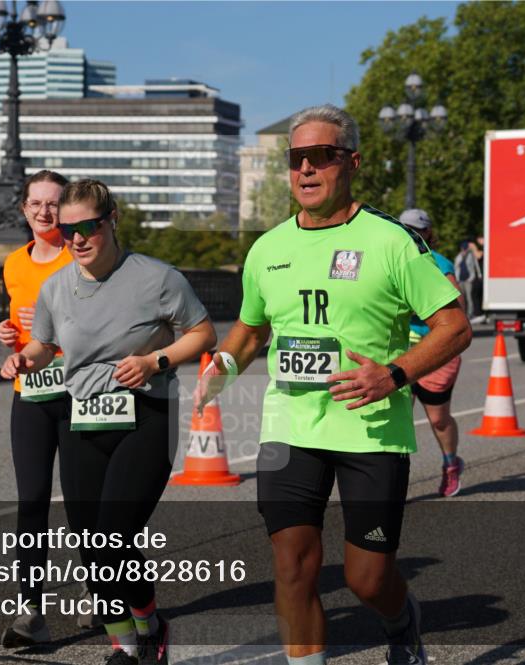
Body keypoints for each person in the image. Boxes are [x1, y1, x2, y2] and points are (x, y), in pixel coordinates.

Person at [195, 104, 471, 665]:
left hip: (370, 431)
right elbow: (250, 332)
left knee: (368, 579)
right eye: (297, 159)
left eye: (321, 156)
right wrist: (219, 368)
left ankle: (402, 622)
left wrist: (393, 374)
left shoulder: (393, 241)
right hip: (290, 427)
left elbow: (455, 324)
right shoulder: (267, 249)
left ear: (352, 163)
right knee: (292, 567)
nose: (306, 170)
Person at [1, 179, 216, 665]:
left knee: (114, 536)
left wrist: (156, 361)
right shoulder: (57, 286)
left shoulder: (156, 277)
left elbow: (202, 334)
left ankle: (150, 627)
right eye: (68, 228)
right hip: (85, 419)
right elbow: (44, 344)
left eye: (88, 227)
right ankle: (128, 641)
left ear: (112, 220)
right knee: (91, 543)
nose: (76, 238)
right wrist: (25, 360)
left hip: (145, 417)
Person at [0, 170, 75, 648]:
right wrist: (6, 334)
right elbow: (18, 318)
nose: (45, 212)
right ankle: (31, 613)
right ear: (24, 209)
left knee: (87, 507)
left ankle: (103, 598)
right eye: (36, 203)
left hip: (80, 393)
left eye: (54, 203)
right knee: (32, 504)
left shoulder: (80, 257)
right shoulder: (13, 263)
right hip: (29, 393)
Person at [400, 209, 467, 497]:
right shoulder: (391, 260)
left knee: (438, 419)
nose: (412, 234)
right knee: (398, 420)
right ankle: (392, 483)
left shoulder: (440, 264)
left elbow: (458, 310)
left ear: (428, 233)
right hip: (399, 352)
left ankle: (451, 464)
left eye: (418, 229)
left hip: (436, 352)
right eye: (406, 229)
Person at [454, 240, 484, 324]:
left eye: (465, 248)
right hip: (460, 280)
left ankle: (470, 314)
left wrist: (479, 275)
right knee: (462, 298)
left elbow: (476, 266)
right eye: (463, 248)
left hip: (468, 280)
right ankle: (463, 314)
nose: (464, 250)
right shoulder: (459, 256)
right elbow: (456, 267)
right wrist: (456, 278)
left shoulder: (471, 256)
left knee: (469, 298)